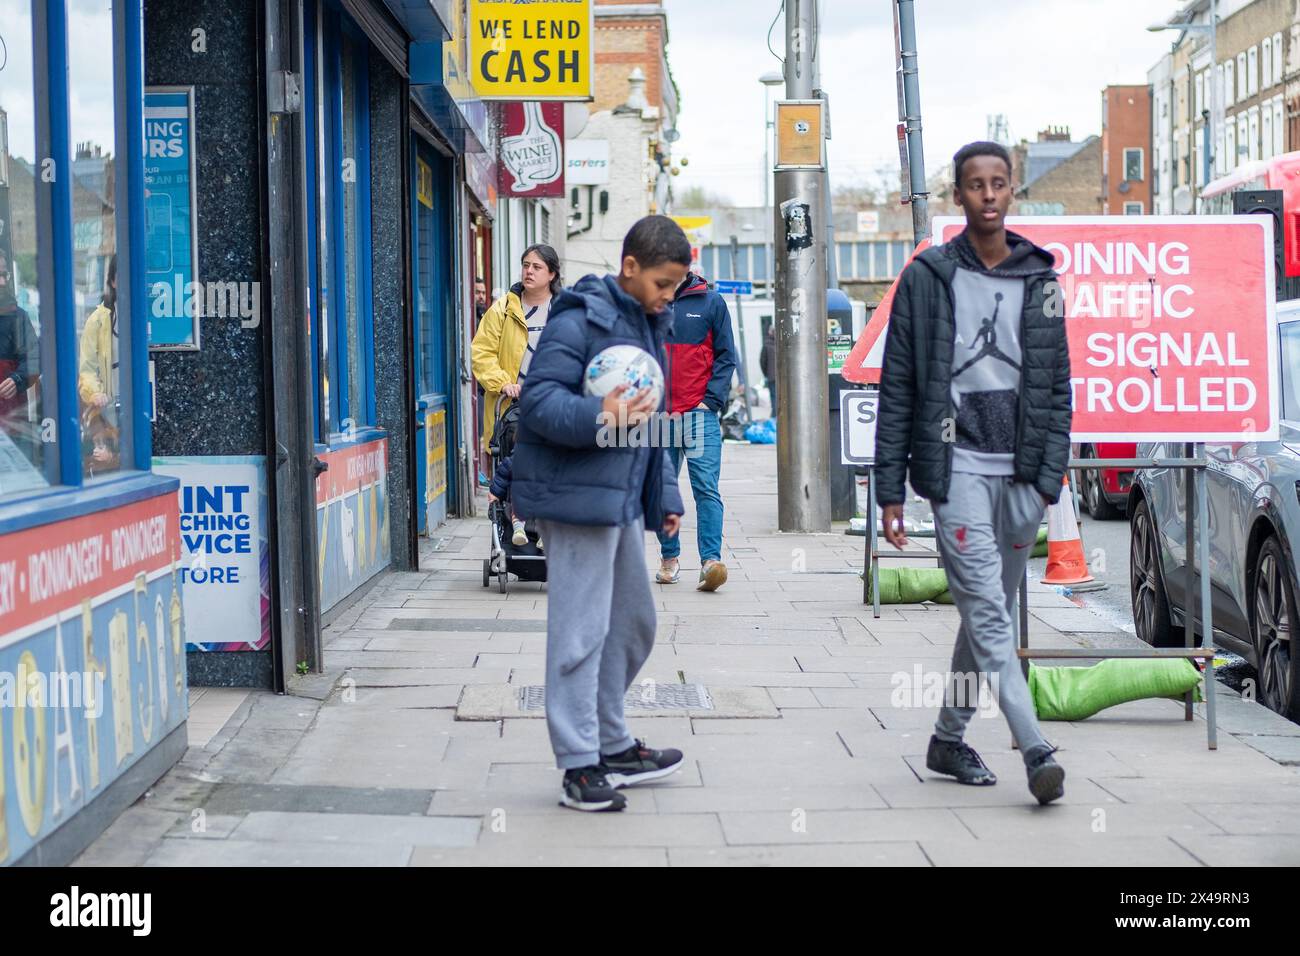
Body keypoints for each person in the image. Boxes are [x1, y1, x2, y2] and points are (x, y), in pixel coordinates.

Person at [874, 141, 1072, 806]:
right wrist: (889, 489)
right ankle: (1036, 747)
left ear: (1012, 191)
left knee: (984, 611)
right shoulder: (928, 277)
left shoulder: (1040, 278)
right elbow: (899, 383)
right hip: (955, 466)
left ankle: (947, 739)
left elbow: (1058, 386)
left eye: (998, 183)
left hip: (1021, 475)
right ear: (957, 196)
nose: (988, 194)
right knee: (990, 613)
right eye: (974, 185)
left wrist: (1048, 476)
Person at [511, 215, 688, 812]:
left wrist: (663, 498)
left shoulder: (647, 321)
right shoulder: (578, 318)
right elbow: (538, 404)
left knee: (633, 625)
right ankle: (578, 765)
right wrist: (599, 415)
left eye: (676, 287)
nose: (670, 296)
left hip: (618, 498)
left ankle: (612, 744)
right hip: (575, 497)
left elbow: (650, 419)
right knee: (580, 634)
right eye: (664, 283)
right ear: (630, 267)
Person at [654, 270, 736, 591]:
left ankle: (710, 562)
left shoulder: (711, 302)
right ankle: (669, 558)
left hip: (698, 414)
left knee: (706, 488)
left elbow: (726, 356)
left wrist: (710, 401)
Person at [470, 245, 561, 474]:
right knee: (509, 479)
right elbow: (482, 352)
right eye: (526, 265)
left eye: (537, 267)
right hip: (511, 412)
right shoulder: (502, 309)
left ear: (552, 274)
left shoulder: (564, 311)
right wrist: (503, 383)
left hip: (553, 406)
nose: (529, 271)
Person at [78, 254, 120, 475]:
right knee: (110, 465)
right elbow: (86, 369)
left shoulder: (146, 316)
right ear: (113, 281)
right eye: (122, 277)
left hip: (136, 407)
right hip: (110, 410)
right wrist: (95, 393)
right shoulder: (98, 320)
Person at [0, 249, 38, 444]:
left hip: (12, 426)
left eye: (4, 274)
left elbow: (34, 358)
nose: (3, 282)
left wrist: (17, 379)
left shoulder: (17, 316)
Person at [759, 322, 777, 415]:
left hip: (771, 376)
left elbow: (762, 361)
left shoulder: (766, 344)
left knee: (774, 397)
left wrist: (766, 373)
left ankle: (775, 416)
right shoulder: (780, 344)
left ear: (770, 332)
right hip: (780, 377)